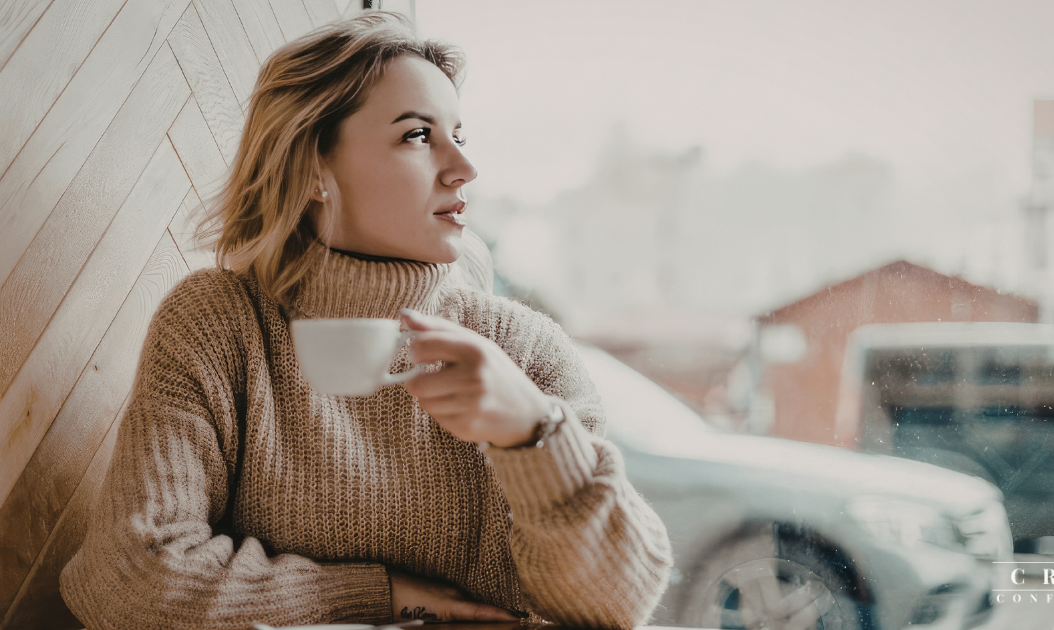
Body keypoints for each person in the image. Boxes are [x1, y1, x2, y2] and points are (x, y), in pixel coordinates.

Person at [59, 11, 673, 629]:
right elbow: (131, 582)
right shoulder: (218, 326)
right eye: (417, 135)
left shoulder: (526, 351)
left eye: (461, 134)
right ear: (315, 170)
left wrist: (533, 433)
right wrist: (382, 595)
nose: (463, 166)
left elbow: (619, 604)